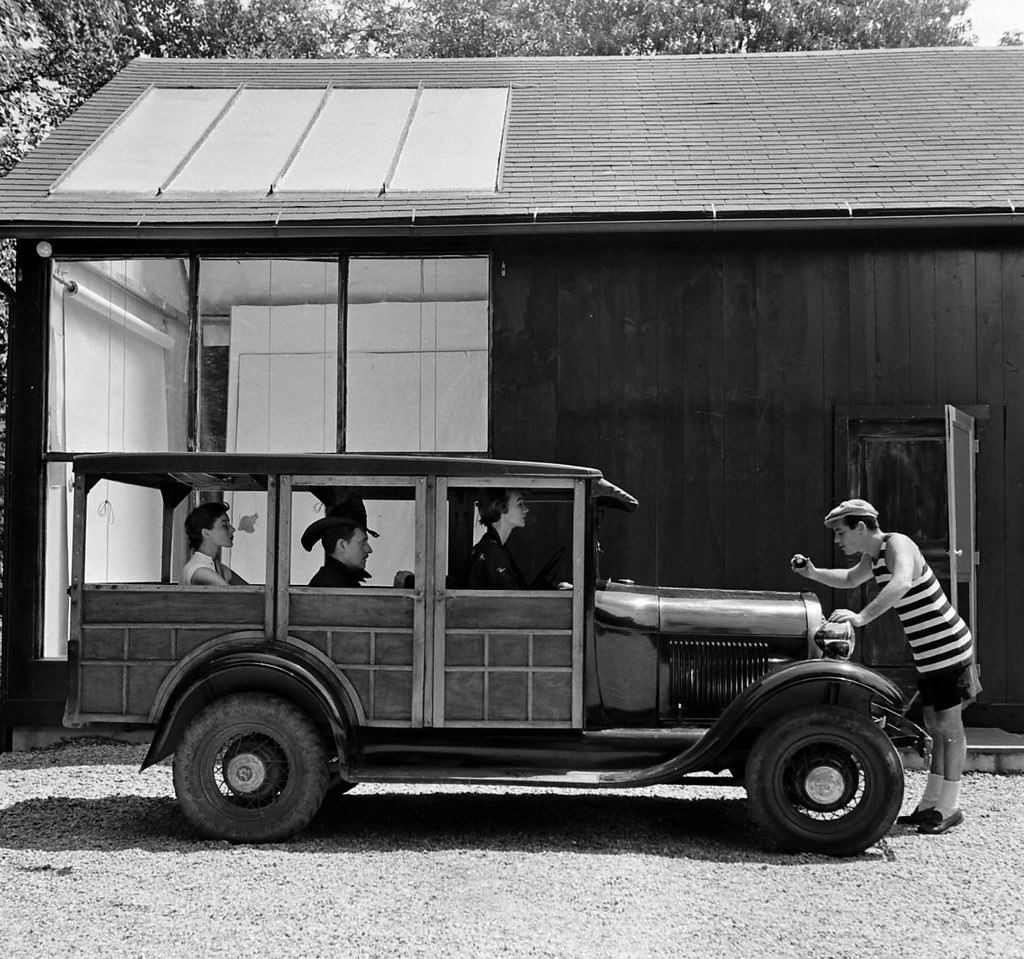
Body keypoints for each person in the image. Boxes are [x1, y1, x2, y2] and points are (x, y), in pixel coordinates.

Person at [791, 498, 981, 836]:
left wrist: (861, 618)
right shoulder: (874, 556)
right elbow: (850, 579)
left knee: (950, 727)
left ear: (860, 527)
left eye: (840, 532)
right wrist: (813, 573)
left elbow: (902, 582)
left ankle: (949, 807)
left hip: (948, 648)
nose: (838, 540)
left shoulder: (898, 544)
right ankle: (930, 804)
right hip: (929, 653)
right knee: (934, 722)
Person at [301, 499, 378, 588]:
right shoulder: (329, 585)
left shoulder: (339, 581)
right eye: (362, 543)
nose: (369, 549)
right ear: (342, 545)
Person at [465, 488, 529, 588]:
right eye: (519, 504)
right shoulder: (492, 552)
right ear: (501, 507)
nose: (526, 509)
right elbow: (512, 599)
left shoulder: (493, 547)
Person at [182, 501, 248, 586]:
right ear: (206, 533)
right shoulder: (200, 571)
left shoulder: (216, 566)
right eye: (224, 525)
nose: (232, 529)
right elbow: (237, 597)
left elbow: (249, 591)